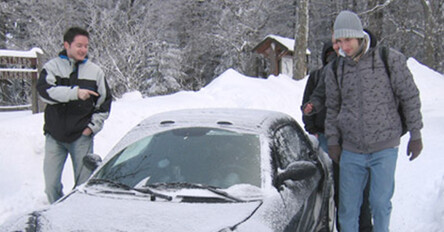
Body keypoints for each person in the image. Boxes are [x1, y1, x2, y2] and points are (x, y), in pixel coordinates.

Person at [324, 10, 423, 232]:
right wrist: (333, 140)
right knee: (348, 211)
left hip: (384, 148)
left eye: (347, 40)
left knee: (379, 205)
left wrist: (415, 134)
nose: (343, 46)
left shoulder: (389, 59)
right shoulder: (335, 69)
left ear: (359, 36)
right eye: (339, 41)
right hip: (350, 150)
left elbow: (409, 96)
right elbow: (332, 107)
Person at [302, 35, 373, 232]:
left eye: (336, 54)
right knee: (334, 185)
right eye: (329, 55)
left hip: (350, 139)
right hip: (324, 137)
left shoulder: (351, 75)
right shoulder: (317, 76)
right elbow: (308, 102)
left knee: (358, 186)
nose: (333, 59)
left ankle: (363, 225)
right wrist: (312, 129)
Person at [37, 27, 112, 204]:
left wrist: (91, 128)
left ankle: (77, 216)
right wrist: (75, 93)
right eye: (79, 45)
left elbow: (105, 104)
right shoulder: (52, 68)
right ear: (67, 45)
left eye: (86, 46)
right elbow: (44, 93)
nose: (83, 50)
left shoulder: (95, 72)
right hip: (55, 136)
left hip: (81, 137)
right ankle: (58, 211)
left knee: (83, 186)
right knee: (50, 185)